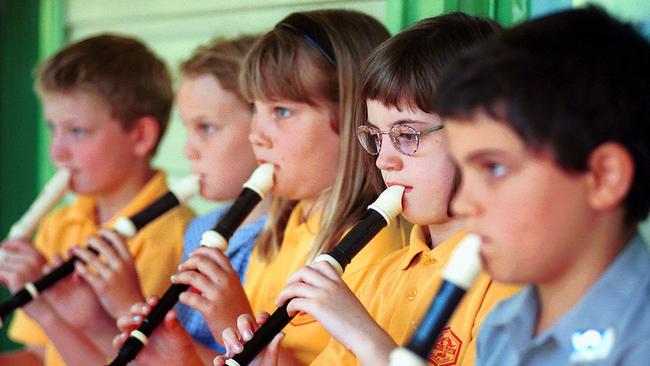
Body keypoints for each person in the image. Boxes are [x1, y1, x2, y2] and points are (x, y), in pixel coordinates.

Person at [217, 13, 519, 366]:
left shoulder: (514, 282)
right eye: (376, 137)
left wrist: (363, 335)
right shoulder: (385, 278)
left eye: (406, 135)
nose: (383, 160)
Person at [117, 9, 407, 365]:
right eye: (255, 107)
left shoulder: (373, 251)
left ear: (353, 119)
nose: (257, 134)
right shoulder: (281, 229)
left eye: (282, 111)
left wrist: (231, 321)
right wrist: (182, 355)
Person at [438, 6, 650, 365]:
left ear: (604, 178)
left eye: (494, 167)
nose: (460, 204)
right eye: (462, 170)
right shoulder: (501, 328)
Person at [0, 34, 194, 366]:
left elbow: (136, 359)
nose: (57, 152)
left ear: (140, 135)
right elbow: (40, 356)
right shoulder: (59, 223)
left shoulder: (175, 237)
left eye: (76, 131)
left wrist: (51, 310)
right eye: (53, 128)